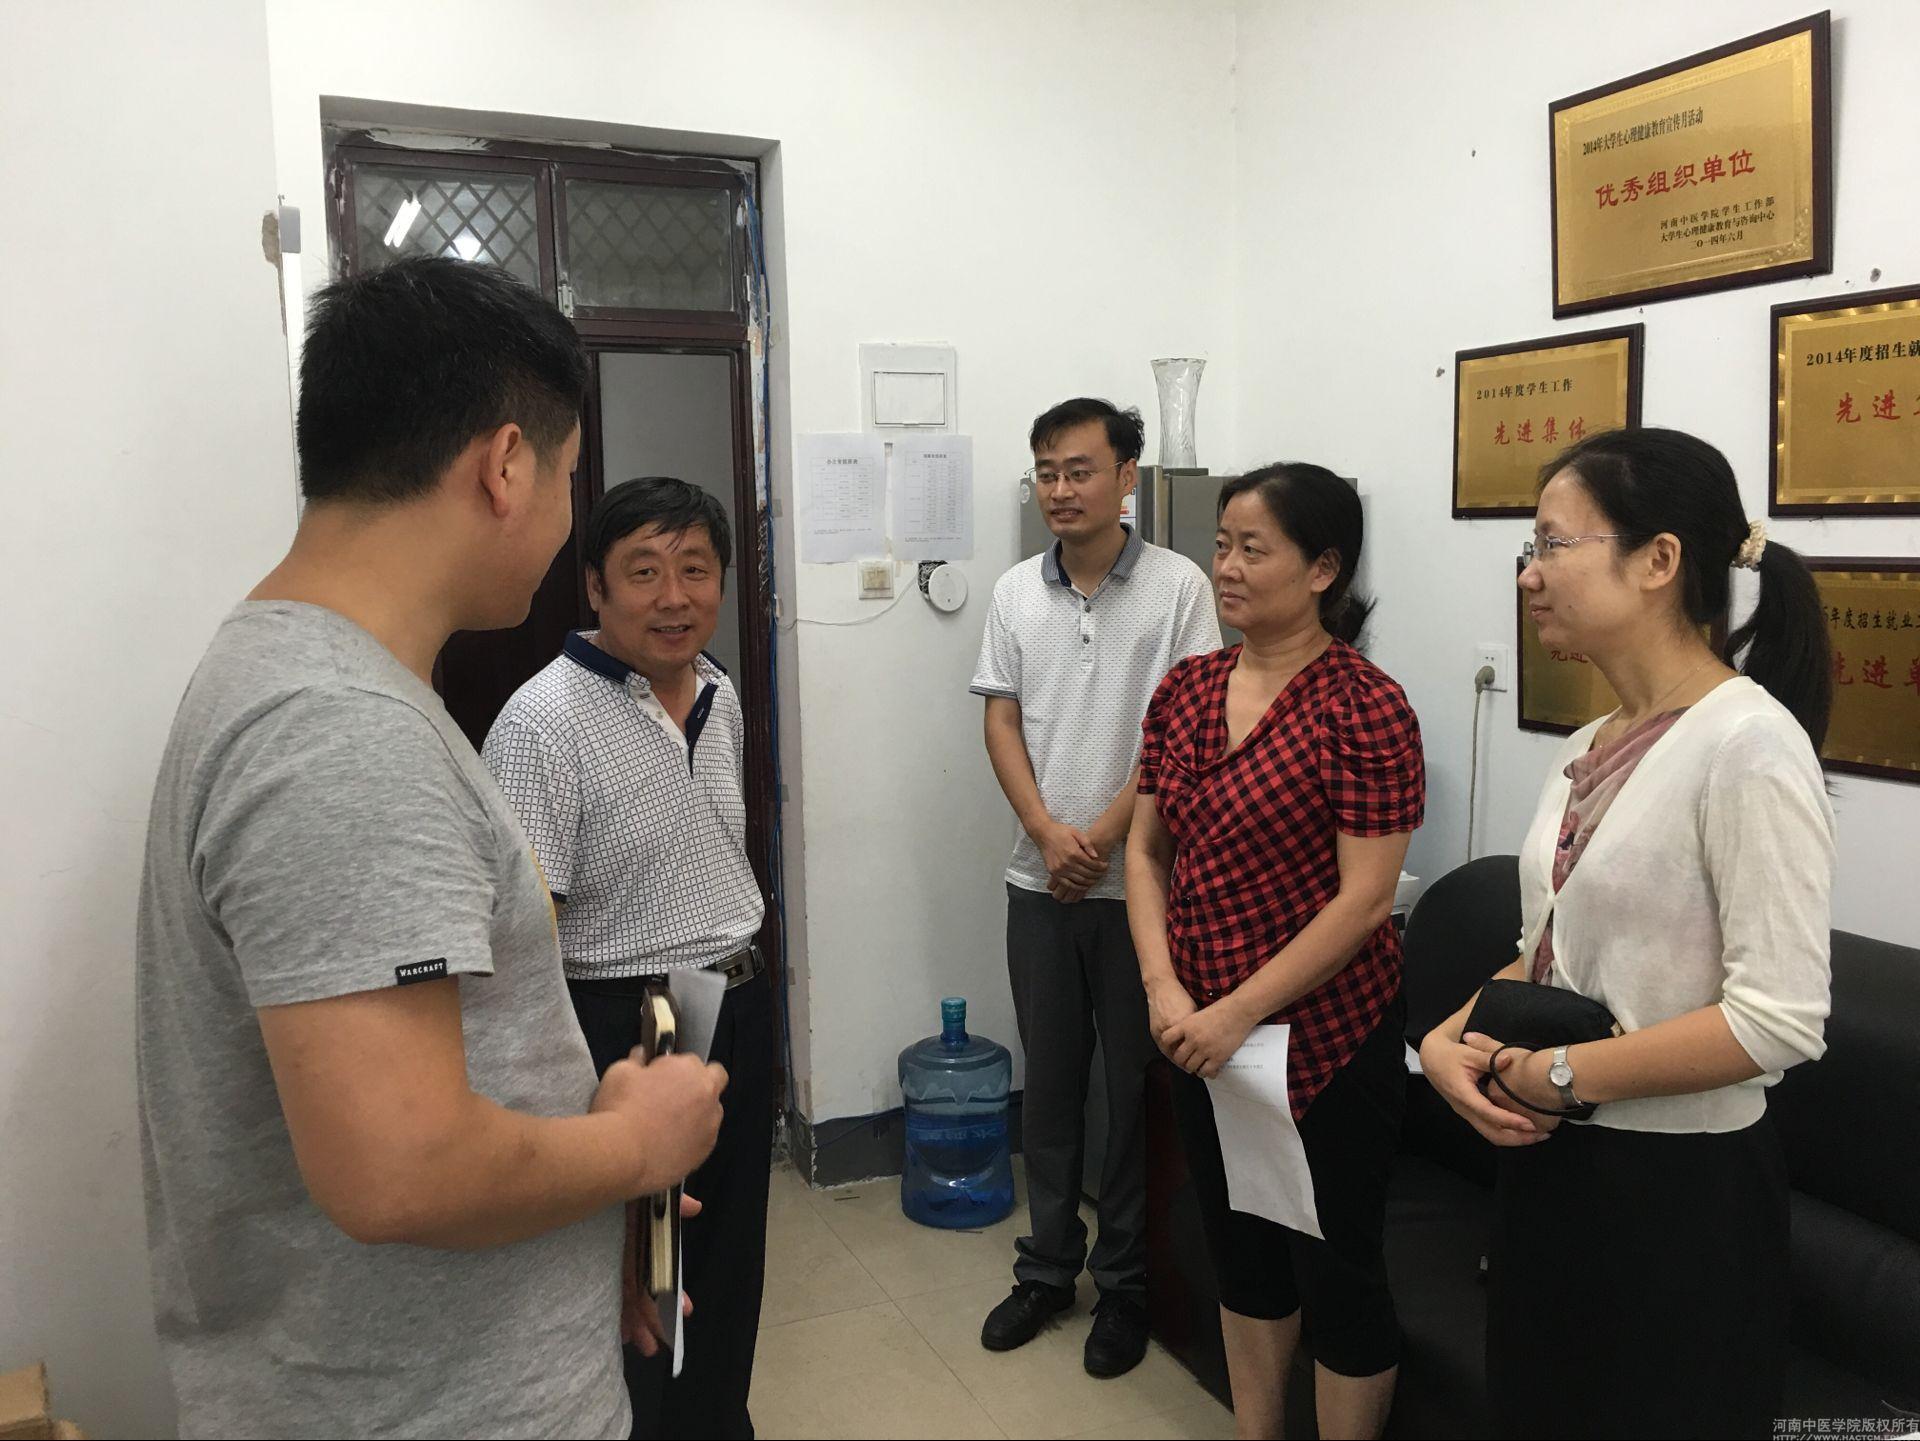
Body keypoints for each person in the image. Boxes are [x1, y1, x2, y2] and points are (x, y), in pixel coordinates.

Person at [135, 257, 727, 1440]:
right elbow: (400, 1170)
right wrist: (631, 1142)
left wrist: (586, 1190)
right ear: (505, 466)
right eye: (567, 475)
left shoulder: (306, 678)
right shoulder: (340, 731)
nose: (565, 516)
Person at [1419, 428, 1835, 1440]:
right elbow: (1551, 948)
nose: (1530, 574)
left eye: (1553, 544)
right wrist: (1444, 1036)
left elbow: (1777, 1021)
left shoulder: (1749, 744)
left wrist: (1559, 1074)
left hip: (1679, 1195)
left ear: (1659, 560)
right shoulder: (1589, 743)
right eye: (1530, 547)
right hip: (1554, 1170)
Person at [1128, 463, 1424, 1441]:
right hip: (1200, 1033)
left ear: (1323, 568)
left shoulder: (1364, 705)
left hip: (1327, 1040)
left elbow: (1365, 900)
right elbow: (1146, 849)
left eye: (1254, 549)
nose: (1227, 566)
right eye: (1222, 545)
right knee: (1240, 1252)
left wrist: (1235, 1012)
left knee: (1339, 1269)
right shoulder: (1186, 689)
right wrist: (1165, 988)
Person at [484, 475, 769, 1441]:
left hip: (735, 998)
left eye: (695, 569)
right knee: (645, 1277)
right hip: (632, 1020)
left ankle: (719, 1421)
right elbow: (522, 944)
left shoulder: (720, 689)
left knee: (727, 1255)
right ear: (596, 588)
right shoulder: (543, 721)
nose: (674, 596)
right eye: (643, 572)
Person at [969, 398, 1221, 1376]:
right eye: (1047, 472)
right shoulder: (1013, 593)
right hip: (1037, 882)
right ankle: (1046, 1268)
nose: (1061, 489)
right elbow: (1000, 720)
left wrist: (1108, 834)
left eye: (1080, 469)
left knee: (1127, 1091)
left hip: (1141, 891)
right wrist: (1046, 833)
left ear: (1126, 478)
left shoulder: (1179, 587)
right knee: (1052, 1088)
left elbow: (1187, 730)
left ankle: (1124, 1284)